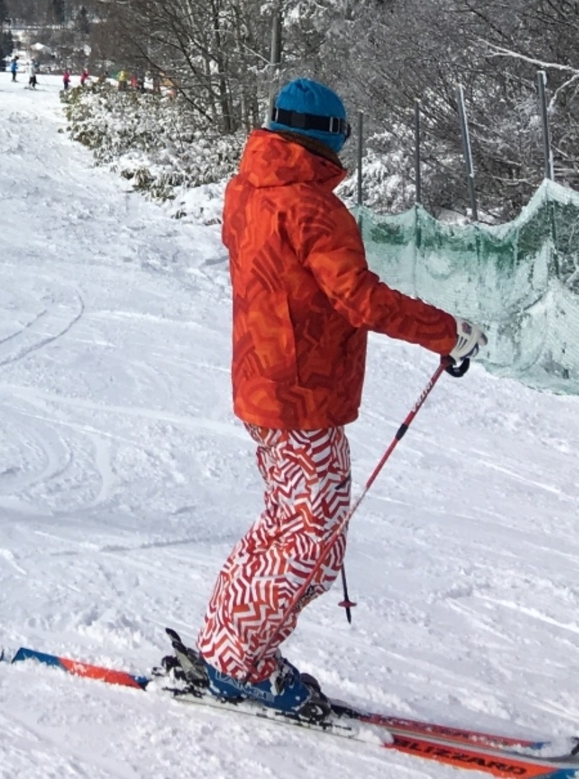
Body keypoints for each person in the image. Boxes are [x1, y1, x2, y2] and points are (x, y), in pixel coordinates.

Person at [172, 78, 487, 720]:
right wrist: (447, 333)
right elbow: (360, 299)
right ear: (329, 138)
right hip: (302, 396)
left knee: (287, 525)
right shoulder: (312, 207)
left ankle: (229, 642)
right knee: (312, 538)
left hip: (264, 386)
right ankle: (241, 661)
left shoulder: (244, 191)